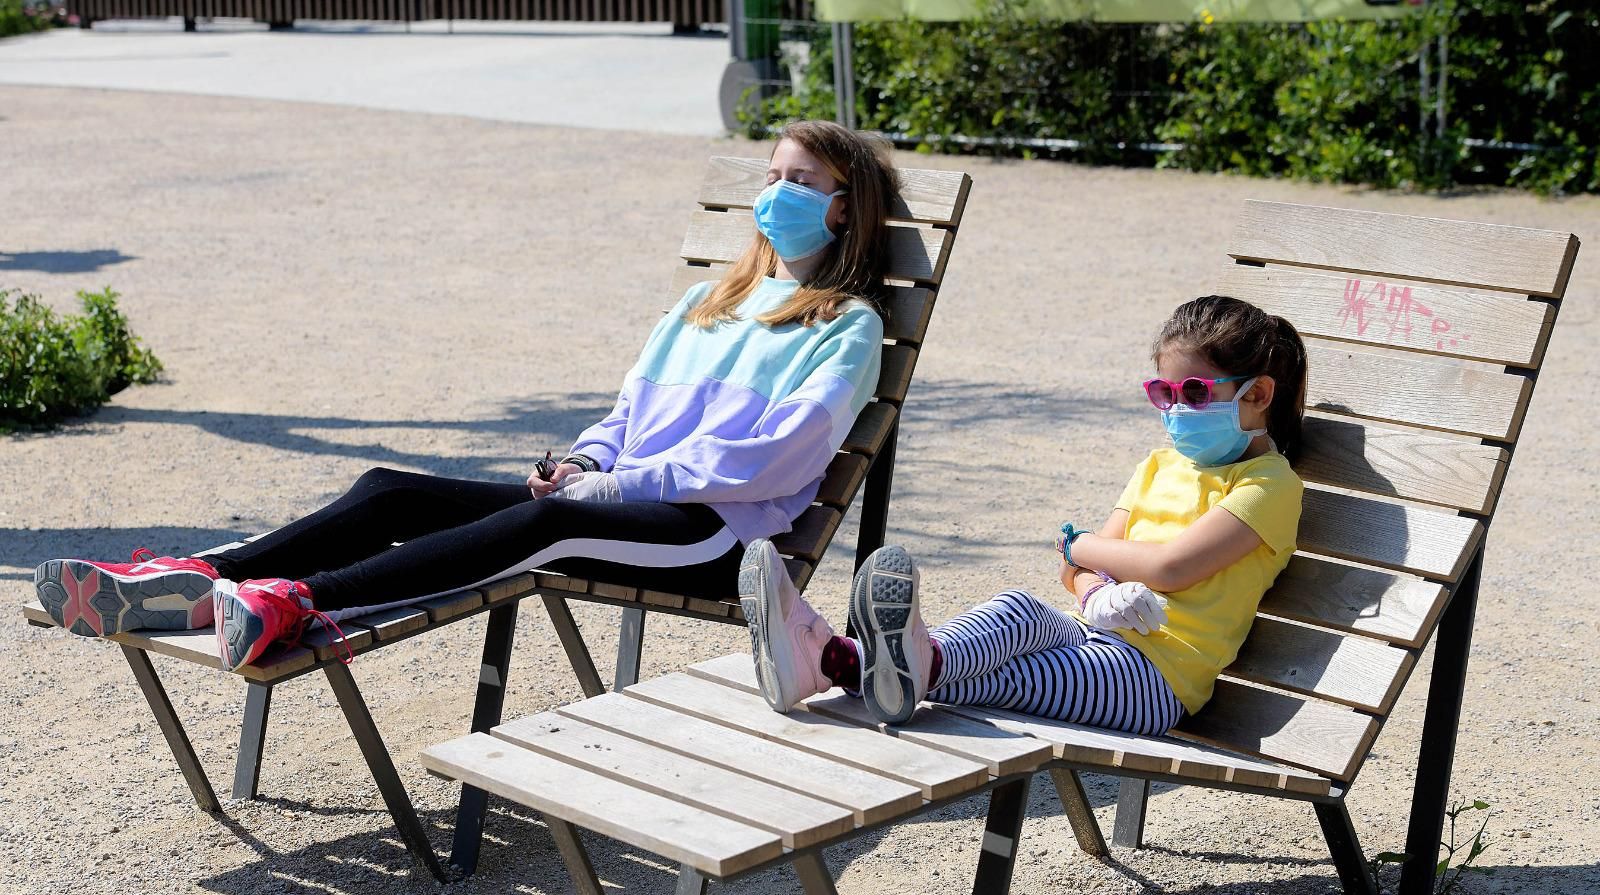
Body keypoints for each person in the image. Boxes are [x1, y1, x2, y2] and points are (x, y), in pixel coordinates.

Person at [34, 120, 899, 672]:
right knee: (389, 490)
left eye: (800, 181)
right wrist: (586, 461)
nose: (775, 193)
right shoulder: (707, 300)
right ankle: (202, 579)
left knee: (547, 527)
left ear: (842, 209)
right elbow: (629, 412)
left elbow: (779, 458)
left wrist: (614, 488)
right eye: (772, 174)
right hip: (616, 496)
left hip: (709, 532)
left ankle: (297, 602)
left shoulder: (847, 326)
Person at [740, 294, 1308, 731]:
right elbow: (1075, 572)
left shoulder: (1270, 485)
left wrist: (1078, 545)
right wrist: (1092, 587)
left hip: (1155, 681)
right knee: (1018, 609)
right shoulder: (1159, 465)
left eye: (1195, 392)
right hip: (1095, 631)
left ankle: (843, 660)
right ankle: (835, 660)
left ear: (1258, 395)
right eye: (1165, 393)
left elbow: (1170, 568)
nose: (1177, 409)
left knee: (1013, 676)